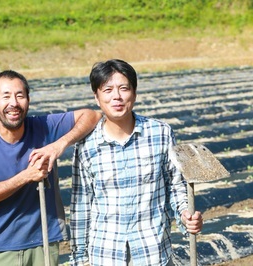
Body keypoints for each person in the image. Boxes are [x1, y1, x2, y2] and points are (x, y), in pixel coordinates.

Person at [0, 70, 101, 266]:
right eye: (6, 96)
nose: (14, 103)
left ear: (28, 100)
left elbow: (92, 115)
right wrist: (27, 175)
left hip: (43, 242)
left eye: (20, 95)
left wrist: (58, 145)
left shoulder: (43, 127)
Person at [69, 59, 203, 266]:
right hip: (106, 253)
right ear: (97, 97)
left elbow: (175, 185)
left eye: (124, 88)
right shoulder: (86, 145)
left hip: (153, 250)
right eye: (108, 90)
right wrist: (80, 259)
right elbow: (81, 205)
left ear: (134, 93)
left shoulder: (160, 133)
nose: (117, 96)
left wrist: (186, 215)